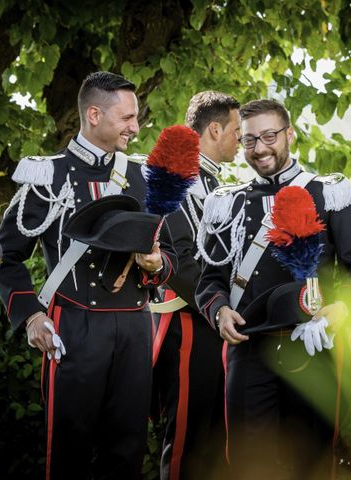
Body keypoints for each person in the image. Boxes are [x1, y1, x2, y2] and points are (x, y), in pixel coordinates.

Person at [0, 71, 177, 479]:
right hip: (73, 326)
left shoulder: (142, 176)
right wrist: (31, 316)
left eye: (136, 118)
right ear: (94, 114)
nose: (136, 126)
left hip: (134, 326)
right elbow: (4, 256)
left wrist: (156, 266)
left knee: (127, 450)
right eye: (127, 118)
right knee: (68, 452)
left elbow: (170, 257)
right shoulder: (48, 175)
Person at [195, 98, 351, 479]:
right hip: (249, 350)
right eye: (248, 140)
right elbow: (210, 280)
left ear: (289, 134)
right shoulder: (227, 202)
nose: (259, 148)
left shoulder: (329, 193)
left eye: (269, 136)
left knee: (312, 461)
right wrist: (219, 310)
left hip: (315, 350)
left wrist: (343, 309)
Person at [151, 91, 240, 479]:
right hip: (189, 321)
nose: (242, 139)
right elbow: (180, 259)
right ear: (215, 128)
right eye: (237, 131)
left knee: (217, 440)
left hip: (214, 322)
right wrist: (220, 303)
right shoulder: (177, 177)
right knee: (188, 439)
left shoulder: (212, 182)